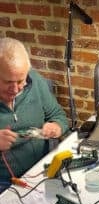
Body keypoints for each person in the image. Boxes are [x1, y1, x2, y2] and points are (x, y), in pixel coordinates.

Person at [0, 37, 69, 182]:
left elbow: (59, 116)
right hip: (4, 183)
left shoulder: (35, 81)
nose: (15, 89)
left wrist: (56, 126)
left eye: (20, 81)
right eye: (8, 82)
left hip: (41, 171)